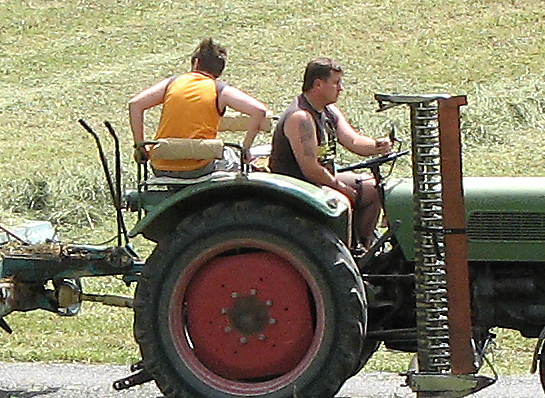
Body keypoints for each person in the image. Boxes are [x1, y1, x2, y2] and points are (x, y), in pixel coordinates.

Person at [267, 59, 396, 248]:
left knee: (374, 188)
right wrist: (341, 187)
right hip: (297, 184)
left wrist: (378, 145)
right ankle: (343, 257)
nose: (340, 88)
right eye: (336, 83)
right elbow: (310, 169)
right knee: (340, 203)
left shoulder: (328, 111)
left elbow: (353, 141)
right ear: (318, 84)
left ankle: (366, 247)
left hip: (320, 178)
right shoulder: (300, 117)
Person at [128, 39, 269, 177]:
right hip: (200, 168)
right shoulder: (220, 90)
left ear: (196, 62)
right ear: (219, 72)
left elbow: (135, 104)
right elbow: (259, 111)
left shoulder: (172, 83)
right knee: (233, 157)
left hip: (161, 166)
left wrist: (140, 146)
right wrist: (246, 148)